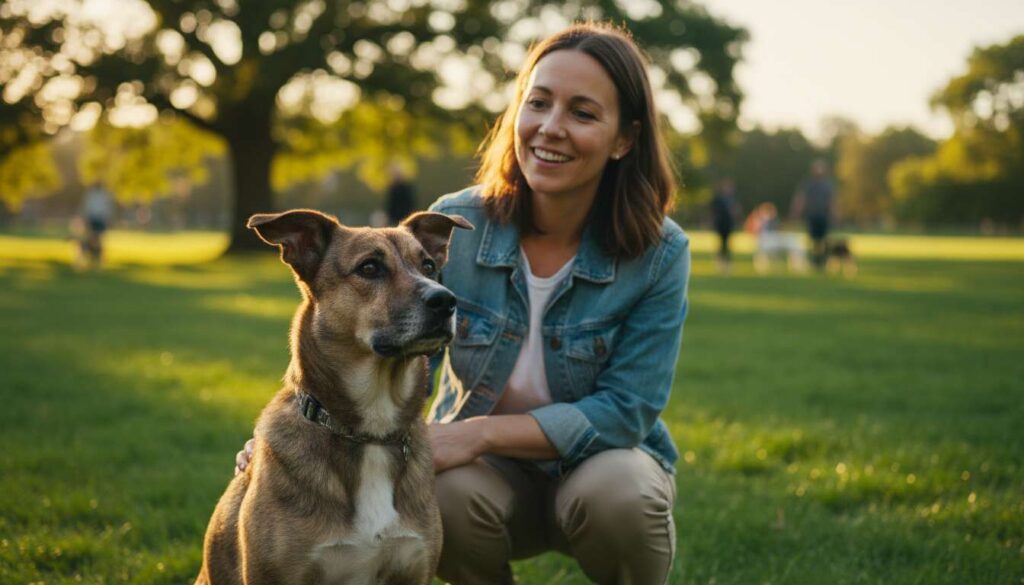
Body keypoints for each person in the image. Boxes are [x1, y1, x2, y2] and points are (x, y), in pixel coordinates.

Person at [237, 22, 689, 585]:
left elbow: (628, 409)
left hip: (598, 471)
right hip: (485, 481)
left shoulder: (660, 251)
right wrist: (287, 429)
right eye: (538, 103)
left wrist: (476, 434)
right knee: (434, 490)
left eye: (583, 113)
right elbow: (345, 328)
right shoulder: (461, 222)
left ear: (624, 138)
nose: (551, 128)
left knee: (621, 496)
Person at [791, 159, 836, 270]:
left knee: (824, 240)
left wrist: (835, 214)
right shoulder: (807, 184)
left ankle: (823, 261)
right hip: (812, 216)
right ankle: (813, 261)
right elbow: (801, 199)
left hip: (823, 216)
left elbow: (832, 201)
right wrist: (796, 213)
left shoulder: (828, 185)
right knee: (812, 240)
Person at [78, 181, 115, 267]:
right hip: (92, 218)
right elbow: (87, 207)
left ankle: (98, 257)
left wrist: (108, 218)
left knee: (99, 239)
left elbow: (108, 208)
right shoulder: (91, 194)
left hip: (101, 219)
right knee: (91, 238)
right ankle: (91, 256)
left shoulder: (105, 194)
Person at [709, 177, 741, 272]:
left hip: (728, 225)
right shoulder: (719, 199)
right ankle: (720, 262)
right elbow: (714, 212)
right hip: (720, 225)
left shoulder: (732, 199)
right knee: (722, 244)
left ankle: (726, 263)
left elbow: (735, 212)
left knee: (727, 244)